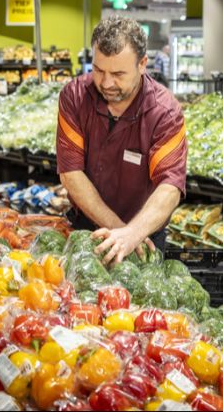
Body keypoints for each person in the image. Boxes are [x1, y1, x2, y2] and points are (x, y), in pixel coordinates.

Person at [56, 16, 187, 264]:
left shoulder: (165, 112)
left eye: (118, 73)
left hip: (145, 235)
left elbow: (169, 187)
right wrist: (119, 231)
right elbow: (70, 173)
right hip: (85, 228)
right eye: (98, 70)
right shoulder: (74, 97)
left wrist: (133, 234)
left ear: (142, 64)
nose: (106, 83)